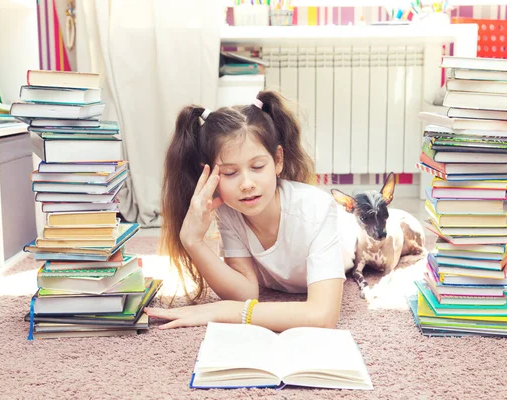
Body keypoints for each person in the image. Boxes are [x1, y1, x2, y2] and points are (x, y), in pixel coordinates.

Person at [144, 91, 356, 331]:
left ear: (277, 161)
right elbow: (245, 292)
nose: (246, 183)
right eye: (230, 173)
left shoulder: (317, 208)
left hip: (353, 238)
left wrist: (230, 312)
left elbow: (322, 315)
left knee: (388, 237)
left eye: (257, 167)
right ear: (210, 175)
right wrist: (192, 241)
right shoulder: (230, 210)